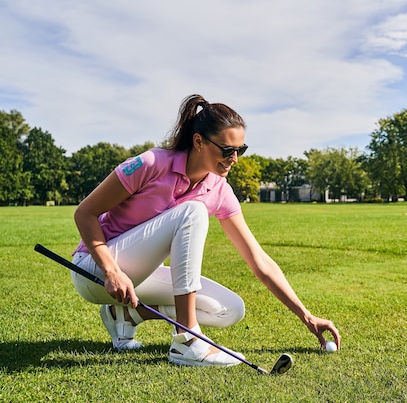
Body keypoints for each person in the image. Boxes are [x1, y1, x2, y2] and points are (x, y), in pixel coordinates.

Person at [71, 94, 340, 367]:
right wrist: (112, 271)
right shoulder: (152, 163)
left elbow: (259, 261)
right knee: (193, 210)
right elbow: (84, 213)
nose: (234, 158)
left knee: (229, 309)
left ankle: (128, 316)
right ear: (198, 141)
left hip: (136, 280)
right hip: (94, 271)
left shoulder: (220, 190)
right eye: (226, 149)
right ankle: (187, 340)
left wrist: (306, 316)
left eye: (240, 150)